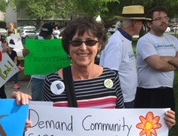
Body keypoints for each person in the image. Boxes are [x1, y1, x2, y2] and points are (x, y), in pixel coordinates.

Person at [41, 16, 176, 127]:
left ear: (99, 46)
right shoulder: (53, 82)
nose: (83, 47)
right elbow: (45, 127)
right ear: (68, 47)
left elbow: (122, 122)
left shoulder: (111, 78)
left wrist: (160, 126)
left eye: (90, 42)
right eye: (76, 42)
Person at [134, 6, 178, 136]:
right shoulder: (144, 41)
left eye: (166, 17)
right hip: (147, 91)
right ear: (150, 23)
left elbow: (161, 62)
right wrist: (171, 61)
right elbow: (157, 65)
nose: (164, 20)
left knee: (166, 125)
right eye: (159, 18)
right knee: (146, 127)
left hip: (166, 91)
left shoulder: (173, 40)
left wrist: (163, 59)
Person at [99, 5, 151, 108]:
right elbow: (110, 74)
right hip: (120, 101)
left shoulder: (124, 40)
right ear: (135, 23)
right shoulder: (117, 43)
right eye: (142, 22)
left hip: (127, 98)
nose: (142, 25)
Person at [24, 22, 54, 101]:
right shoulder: (35, 41)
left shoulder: (57, 43)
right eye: (43, 34)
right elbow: (27, 56)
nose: (43, 37)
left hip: (53, 76)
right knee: (37, 100)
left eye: (46, 34)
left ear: (51, 33)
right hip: (38, 77)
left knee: (53, 99)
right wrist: (25, 53)